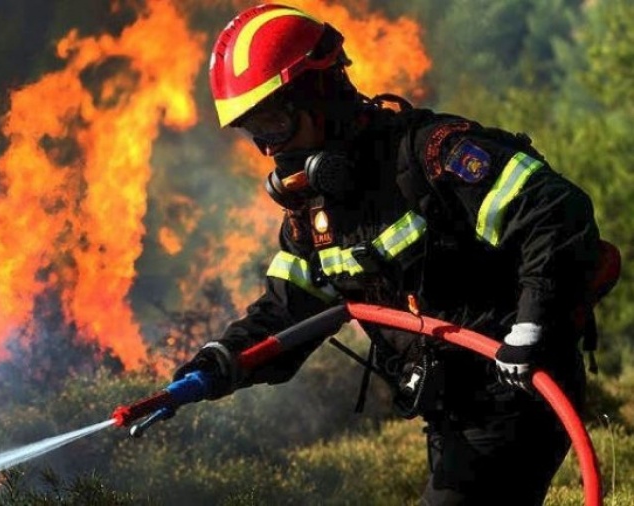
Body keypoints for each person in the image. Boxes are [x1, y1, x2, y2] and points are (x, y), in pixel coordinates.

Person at [175, 4, 617, 504]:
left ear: (320, 94)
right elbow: (288, 309)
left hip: (517, 390)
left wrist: (532, 327)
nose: (270, 149)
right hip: (451, 410)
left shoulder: (432, 156)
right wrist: (221, 361)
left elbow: (554, 211)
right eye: (256, 132)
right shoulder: (315, 215)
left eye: (274, 123)